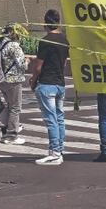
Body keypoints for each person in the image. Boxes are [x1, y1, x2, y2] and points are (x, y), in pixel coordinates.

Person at [30, 9, 69, 166]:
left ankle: (54, 152)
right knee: (59, 118)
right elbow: (64, 62)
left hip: (47, 83)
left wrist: (33, 80)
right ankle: (59, 150)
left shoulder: (45, 41)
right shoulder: (65, 40)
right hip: (60, 83)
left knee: (51, 119)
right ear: (58, 21)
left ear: (45, 22)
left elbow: (39, 66)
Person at [0, 24, 27, 145]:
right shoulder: (14, 45)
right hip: (14, 80)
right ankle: (11, 134)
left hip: (3, 79)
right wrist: (27, 61)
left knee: (9, 106)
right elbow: (22, 65)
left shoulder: (1, 43)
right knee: (15, 107)